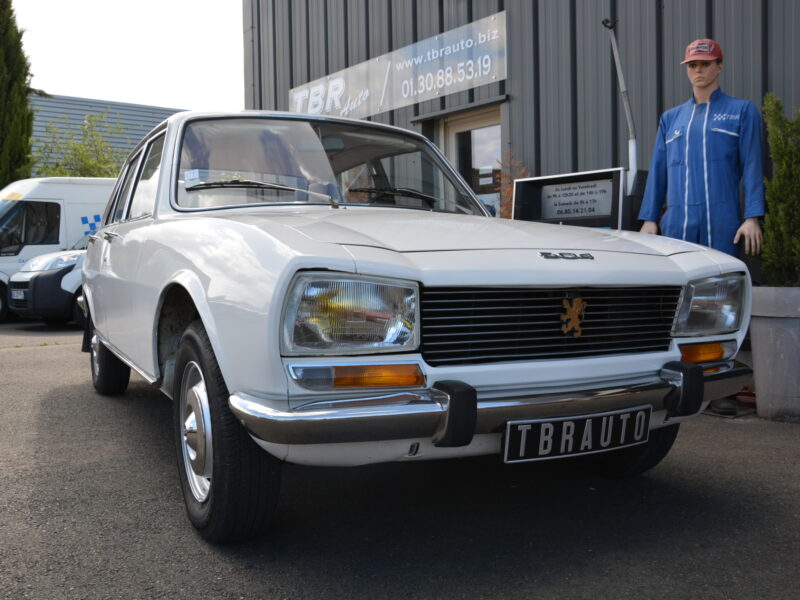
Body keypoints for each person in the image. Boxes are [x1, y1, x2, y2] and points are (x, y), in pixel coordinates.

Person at [638, 38, 764, 257]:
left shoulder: (742, 111)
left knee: (720, 282)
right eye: (692, 65)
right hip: (677, 221)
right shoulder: (670, 118)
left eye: (706, 64)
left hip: (721, 219)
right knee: (678, 283)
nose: (699, 70)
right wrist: (650, 219)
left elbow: (753, 165)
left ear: (720, 66)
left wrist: (752, 218)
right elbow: (659, 171)